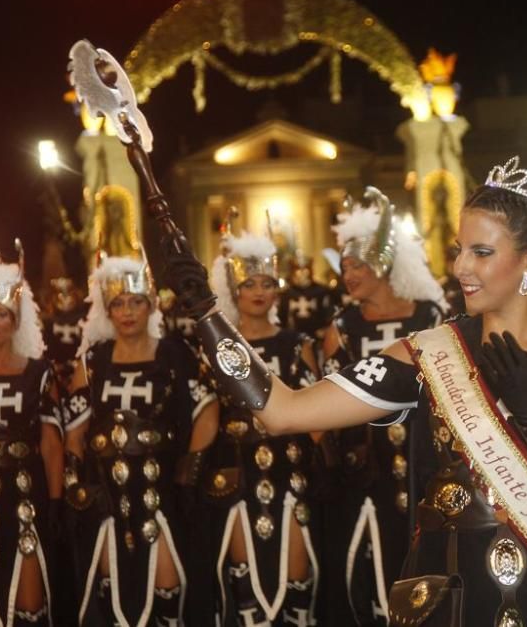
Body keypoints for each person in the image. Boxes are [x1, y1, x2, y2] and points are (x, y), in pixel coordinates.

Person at [164, 156, 527, 626]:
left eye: (481, 252)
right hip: (453, 596)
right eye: (459, 251)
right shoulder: (430, 352)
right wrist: (209, 318)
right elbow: (283, 410)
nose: (460, 268)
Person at [62, 252, 218, 626]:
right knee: (112, 594)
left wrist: (188, 473)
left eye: (136, 302)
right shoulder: (93, 361)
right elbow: (75, 430)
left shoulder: (176, 353)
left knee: (168, 593)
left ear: (150, 307)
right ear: (108, 311)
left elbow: (207, 411)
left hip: (162, 490)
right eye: (118, 304)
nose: (128, 311)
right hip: (108, 498)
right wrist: (75, 486)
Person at [318, 187, 446, 625]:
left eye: (356, 265)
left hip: (426, 470)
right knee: (366, 585)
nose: (347, 274)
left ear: (383, 262)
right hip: (363, 477)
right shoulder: (341, 328)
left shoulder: (431, 317)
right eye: (345, 265)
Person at [203, 226, 322, 626]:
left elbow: (315, 412)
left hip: (290, 472)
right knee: (245, 584)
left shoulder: (296, 342)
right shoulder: (216, 348)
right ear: (233, 288)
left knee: (297, 579)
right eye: (249, 282)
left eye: (267, 283)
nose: (258, 291)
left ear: (277, 290)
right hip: (237, 474)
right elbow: (207, 415)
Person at [0, 249, 64, 626]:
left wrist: (55, 502)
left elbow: (51, 443)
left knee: (29, 602)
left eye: (2, 313)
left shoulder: (39, 372)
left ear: (15, 320)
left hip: (25, 495)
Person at [278, 253, 335, 343]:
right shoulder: (287, 294)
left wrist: (325, 329)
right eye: (298, 269)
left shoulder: (321, 291)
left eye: (305, 269)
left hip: (317, 338)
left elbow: (329, 313)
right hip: (293, 339)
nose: (302, 272)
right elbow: (282, 317)